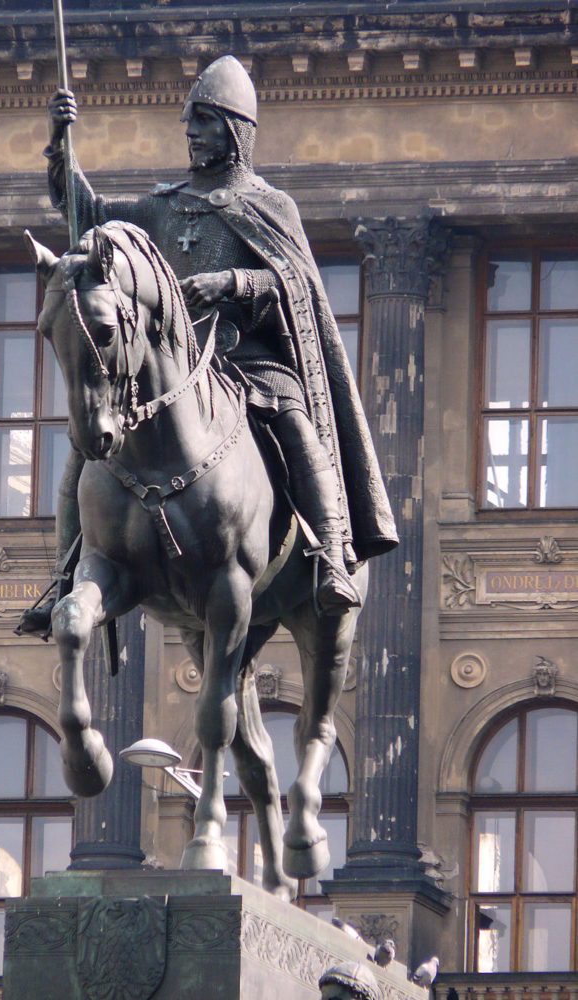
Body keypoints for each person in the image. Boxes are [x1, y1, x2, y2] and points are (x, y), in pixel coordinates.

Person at [27, 55, 396, 629]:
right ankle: (64, 576)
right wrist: (61, 147)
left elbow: (295, 284)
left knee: (296, 425)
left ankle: (330, 554)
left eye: (204, 121)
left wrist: (233, 283)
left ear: (235, 130)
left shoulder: (269, 205)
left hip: (247, 359)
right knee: (87, 447)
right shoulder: (160, 206)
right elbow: (88, 216)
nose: (192, 133)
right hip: (170, 365)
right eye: (190, 122)